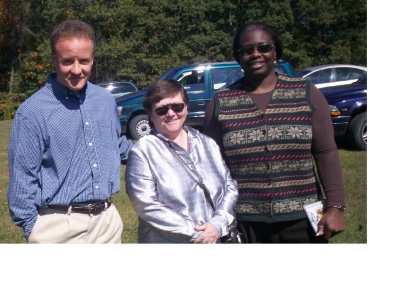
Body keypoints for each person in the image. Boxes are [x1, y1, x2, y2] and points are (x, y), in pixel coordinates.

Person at [203, 21, 346, 243]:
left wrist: (336, 206)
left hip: (302, 220)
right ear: (239, 56)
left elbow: (326, 151)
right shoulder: (221, 103)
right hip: (244, 223)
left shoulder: (306, 93)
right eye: (247, 50)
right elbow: (212, 166)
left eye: (264, 47)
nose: (256, 54)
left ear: (275, 51)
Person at [7, 19, 134, 243]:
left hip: (107, 223)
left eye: (84, 61)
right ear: (54, 59)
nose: (77, 69)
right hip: (57, 226)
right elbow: (22, 178)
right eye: (68, 61)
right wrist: (33, 227)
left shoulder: (104, 100)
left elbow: (116, 145)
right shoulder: (32, 111)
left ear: (92, 59)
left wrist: (160, 149)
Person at [125, 79, 239, 243]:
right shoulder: (142, 152)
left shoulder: (207, 143)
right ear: (150, 113)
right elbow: (146, 206)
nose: (171, 114)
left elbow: (229, 186)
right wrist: (198, 235)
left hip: (216, 238)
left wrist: (218, 224)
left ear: (186, 107)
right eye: (162, 110)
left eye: (177, 106)